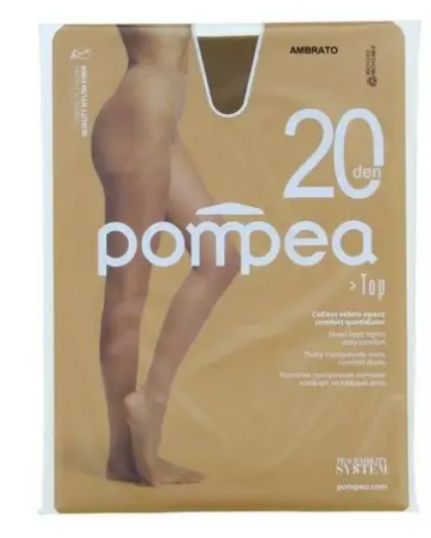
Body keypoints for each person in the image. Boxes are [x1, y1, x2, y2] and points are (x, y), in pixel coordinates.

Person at [91, 24, 240, 486]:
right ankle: (122, 453)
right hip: (141, 117)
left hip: (161, 121)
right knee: (128, 294)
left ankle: (151, 399)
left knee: (221, 257)